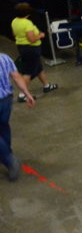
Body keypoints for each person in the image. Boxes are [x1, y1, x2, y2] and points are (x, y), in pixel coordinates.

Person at [11, 2, 56, 102]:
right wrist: (40, 35)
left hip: (22, 47)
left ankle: (46, 86)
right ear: (27, 13)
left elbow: (15, 35)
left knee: (38, 67)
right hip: (31, 49)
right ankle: (22, 95)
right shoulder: (27, 23)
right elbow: (32, 39)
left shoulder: (14, 21)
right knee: (28, 72)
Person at [0, 52, 35, 181]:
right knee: (3, 126)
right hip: (6, 101)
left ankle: (9, 160)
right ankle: (7, 154)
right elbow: (16, 77)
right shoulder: (5, 58)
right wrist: (27, 93)